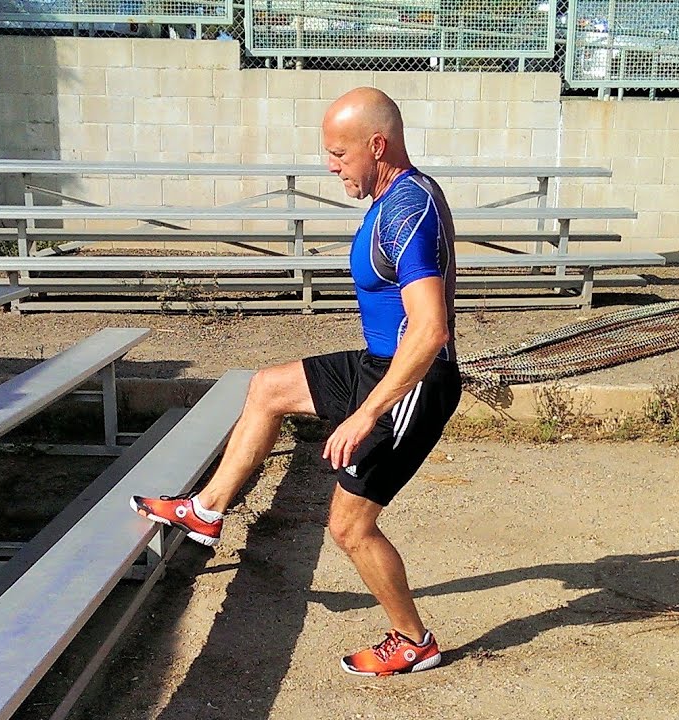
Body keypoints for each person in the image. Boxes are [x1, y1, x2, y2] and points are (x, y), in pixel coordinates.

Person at [130, 86, 461, 677]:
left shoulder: (410, 210)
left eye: (339, 154)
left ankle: (414, 640)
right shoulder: (393, 198)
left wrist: (364, 414)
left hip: (412, 383)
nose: (331, 166)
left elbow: (431, 330)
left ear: (377, 145)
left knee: (350, 527)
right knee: (268, 387)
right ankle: (207, 510)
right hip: (377, 364)